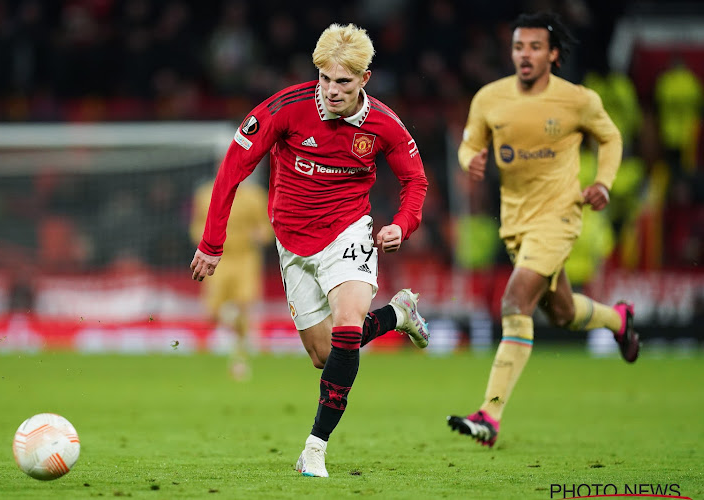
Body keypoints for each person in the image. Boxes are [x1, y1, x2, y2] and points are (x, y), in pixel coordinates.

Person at [190, 23, 429, 477]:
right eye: (325, 79)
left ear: (365, 79)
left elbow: (414, 181)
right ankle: (398, 315)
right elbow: (232, 169)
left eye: (343, 81)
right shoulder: (284, 109)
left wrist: (402, 223)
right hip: (293, 243)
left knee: (346, 328)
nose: (332, 91)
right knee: (325, 354)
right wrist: (212, 243)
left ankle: (315, 448)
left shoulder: (384, 124)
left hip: (349, 232)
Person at [448, 12, 639, 448]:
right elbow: (469, 143)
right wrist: (468, 161)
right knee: (562, 312)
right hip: (516, 223)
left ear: (552, 54)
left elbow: (611, 138)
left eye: (534, 47)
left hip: (560, 217)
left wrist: (604, 183)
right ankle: (619, 318)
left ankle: (489, 414)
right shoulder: (490, 98)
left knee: (515, 301)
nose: (525, 55)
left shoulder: (578, 100)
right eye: (519, 47)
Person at [189, 177, 273, 381]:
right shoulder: (205, 194)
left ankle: (240, 357)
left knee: (244, 304)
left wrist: (260, 235)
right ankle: (230, 321)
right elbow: (197, 225)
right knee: (213, 312)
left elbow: (267, 227)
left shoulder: (255, 196)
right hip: (218, 258)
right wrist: (205, 239)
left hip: (245, 257)